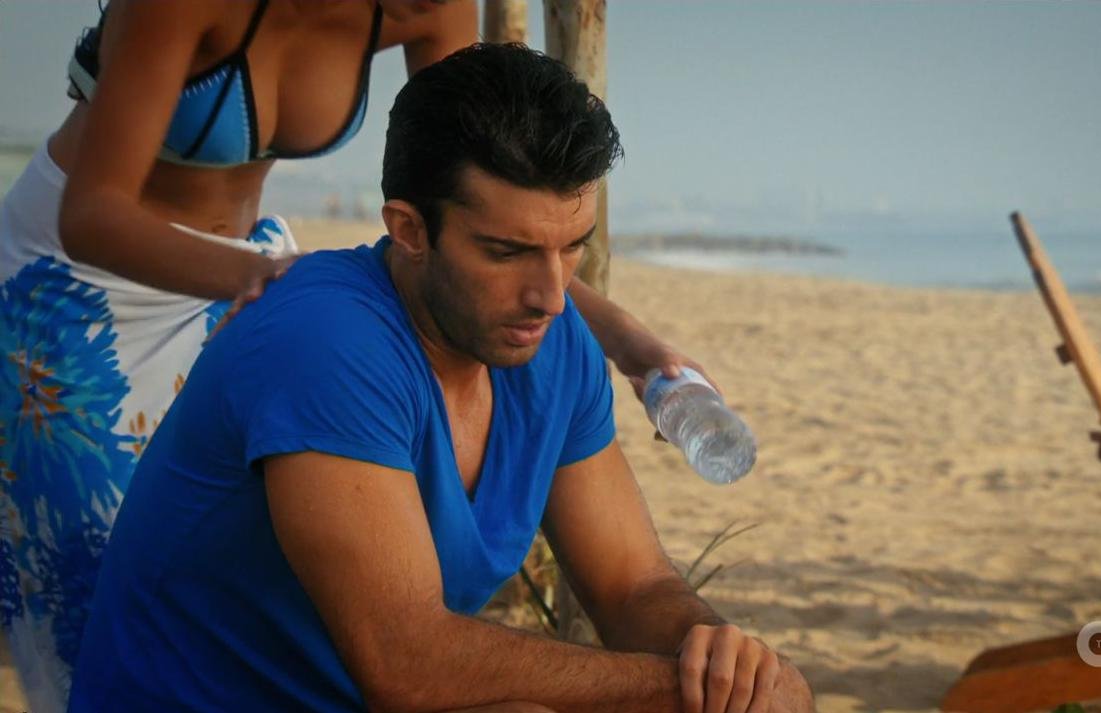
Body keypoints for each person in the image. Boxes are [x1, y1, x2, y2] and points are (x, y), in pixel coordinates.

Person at [68, 44, 814, 713]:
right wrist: (674, 688)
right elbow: (408, 662)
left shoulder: (551, 343)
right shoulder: (327, 342)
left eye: (571, 249)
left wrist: (728, 667)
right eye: (506, 252)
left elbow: (633, 586)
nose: (552, 296)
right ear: (409, 229)